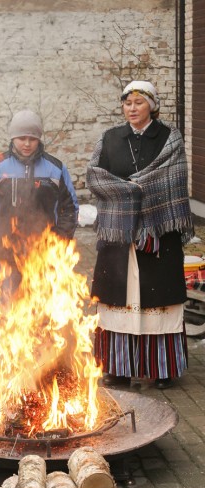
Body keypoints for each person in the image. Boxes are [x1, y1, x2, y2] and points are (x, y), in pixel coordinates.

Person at [86, 80, 194, 390]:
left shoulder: (169, 139)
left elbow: (174, 179)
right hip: (119, 233)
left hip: (159, 231)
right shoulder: (109, 138)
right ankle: (117, 369)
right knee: (117, 302)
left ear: (152, 106)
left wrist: (138, 194)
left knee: (158, 304)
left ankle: (162, 369)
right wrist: (131, 192)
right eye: (127, 103)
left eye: (139, 102)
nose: (132, 108)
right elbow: (95, 176)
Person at [0, 109, 79, 295]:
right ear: (13, 138)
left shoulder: (55, 168)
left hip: (46, 250)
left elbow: (70, 207)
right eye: (22, 138)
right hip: (8, 250)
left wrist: (60, 238)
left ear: (39, 139)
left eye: (33, 138)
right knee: (12, 307)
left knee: (43, 303)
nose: (27, 144)